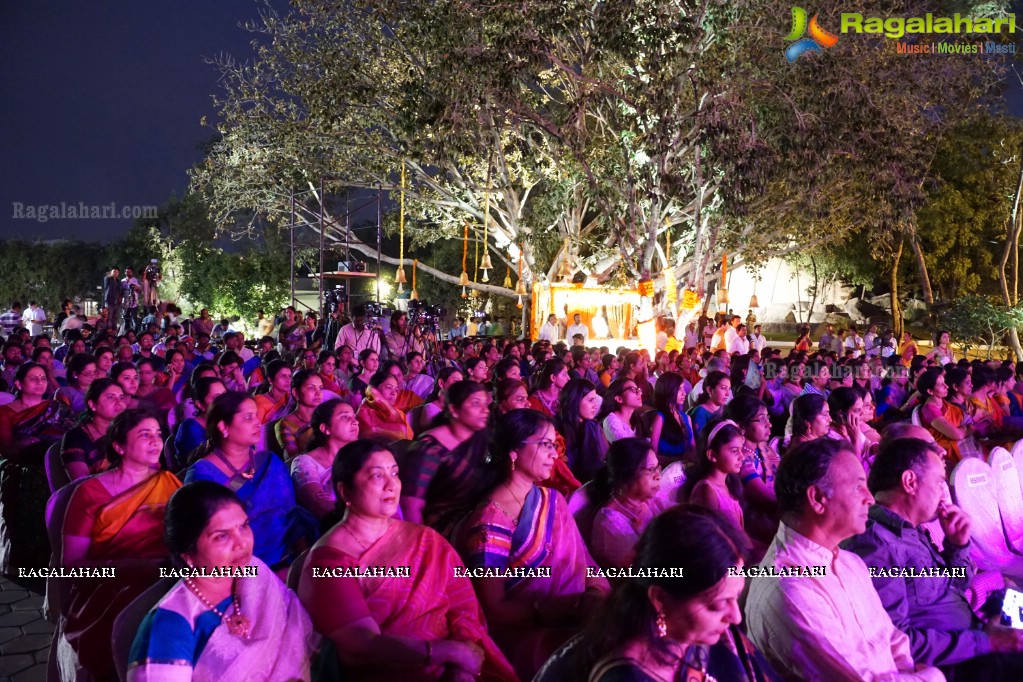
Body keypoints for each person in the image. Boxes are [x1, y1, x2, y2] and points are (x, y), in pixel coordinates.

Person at [297, 439, 517, 682]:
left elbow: (463, 608)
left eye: (395, 473)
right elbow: (362, 648)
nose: (392, 485)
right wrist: (445, 653)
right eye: (377, 476)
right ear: (345, 491)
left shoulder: (424, 539)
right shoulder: (328, 563)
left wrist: (461, 665)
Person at [744, 438, 943, 681]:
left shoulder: (850, 563)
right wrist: (932, 677)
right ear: (817, 498)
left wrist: (911, 674)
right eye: (858, 487)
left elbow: (893, 640)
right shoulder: (791, 591)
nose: (870, 498)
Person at [844, 437, 1023, 679]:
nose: (943, 493)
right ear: (910, 482)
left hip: (976, 633)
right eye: (939, 482)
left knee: (1014, 598)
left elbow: (954, 587)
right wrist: (987, 642)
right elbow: (898, 643)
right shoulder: (876, 546)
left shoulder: (910, 530)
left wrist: (957, 545)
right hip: (965, 661)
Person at [537, 505, 778, 682]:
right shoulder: (625, 677)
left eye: (735, 597)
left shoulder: (714, 636)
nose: (735, 618)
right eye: (716, 605)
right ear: (661, 600)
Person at [456, 409, 610, 679]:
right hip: (531, 639)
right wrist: (564, 609)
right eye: (546, 445)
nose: (555, 454)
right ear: (513, 452)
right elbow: (495, 609)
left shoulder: (552, 500)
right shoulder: (491, 521)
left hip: (578, 620)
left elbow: (585, 563)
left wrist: (596, 593)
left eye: (556, 444)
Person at [128, 481, 320, 680]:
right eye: (221, 536)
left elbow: (303, 644)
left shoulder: (254, 572)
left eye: (244, 526)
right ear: (187, 554)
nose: (242, 543)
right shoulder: (170, 626)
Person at [61, 408, 182, 680]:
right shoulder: (88, 493)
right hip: (110, 591)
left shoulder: (168, 482)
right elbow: (70, 568)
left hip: (167, 579)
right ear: (118, 445)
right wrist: (129, 567)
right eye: (144, 435)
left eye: (158, 434)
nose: (155, 441)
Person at [184, 391, 317, 575]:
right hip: (240, 569)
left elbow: (291, 516)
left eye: (256, 415)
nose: (258, 423)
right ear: (224, 426)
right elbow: (211, 542)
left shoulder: (270, 462)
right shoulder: (202, 475)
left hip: (289, 559)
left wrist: (302, 566)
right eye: (248, 417)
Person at [0, 362, 75, 570]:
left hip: (56, 463)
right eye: (33, 379)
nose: (40, 383)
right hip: (23, 467)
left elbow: (71, 434)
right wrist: (27, 444)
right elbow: (6, 447)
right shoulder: (5, 412)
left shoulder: (56, 407)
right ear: (18, 383)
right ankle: (26, 563)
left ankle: (54, 559)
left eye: (43, 378)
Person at [399, 380, 491, 530]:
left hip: (473, 518)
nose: (485, 410)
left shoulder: (479, 436)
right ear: (454, 410)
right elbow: (411, 506)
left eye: (485, 404)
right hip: (441, 527)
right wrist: (427, 546)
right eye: (476, 403)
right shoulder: (428, 449)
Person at [587, 438, 666, 569]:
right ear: (625, 475)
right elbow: (647, 572)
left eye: (657, 467)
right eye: (650, 469)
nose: (658, 475)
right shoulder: (610, 523)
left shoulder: (649, 500)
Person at [291, 399, 360, 521]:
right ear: (325, 428)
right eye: (344, 417)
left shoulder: (361, 456)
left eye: (354, 417)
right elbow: (320, 507)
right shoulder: (305, 462)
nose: (355, 422)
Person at [681, 419, 747, 533]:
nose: (742, 457)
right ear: (712, 455)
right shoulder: (706, 491)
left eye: (741, 449)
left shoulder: (729, 484)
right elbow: (713, 540)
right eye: (734, 451)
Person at [60, 378, 127, 480]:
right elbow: (81, 482)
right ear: (92, 405)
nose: (119, 402)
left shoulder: (129, 430)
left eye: (121, 398)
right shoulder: (75, 437)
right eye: (110, 397)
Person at [553, 378, 608, 486]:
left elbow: (604, 459)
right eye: (590, 400)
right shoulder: (555, 428)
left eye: (595, 400)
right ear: (575, 400)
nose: (595, 406)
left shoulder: (594, 425)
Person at [917, 368, 974, 467]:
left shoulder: (944, 404)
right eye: (940, 385)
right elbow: (957, 435)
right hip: (944, 453)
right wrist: (968, 428)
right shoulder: (930, 410)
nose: (946, 386)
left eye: (944, 382)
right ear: (930, 391)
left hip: (960, 443)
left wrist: (967, 427)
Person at [174, 376, 228, 469]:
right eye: (215, 397)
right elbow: (203, 465)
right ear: (200, 404)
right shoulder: (190, 427)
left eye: (224, 395)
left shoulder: (228, 420)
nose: (223, 400)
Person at [645, 371, 696, 466]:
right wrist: (678, 460)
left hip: (688, 467)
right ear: (668, 390)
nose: (684, 393)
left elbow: (693, 447)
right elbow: (653, 455)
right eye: (679, 389)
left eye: (683, 388)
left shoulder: (686, 417)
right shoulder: (660, 418)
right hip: (668, 469)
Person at [276, 369, 324, 459]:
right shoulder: (285, 424)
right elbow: (293, 460)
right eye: (311, 388)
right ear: (296, 393)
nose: (318, 393)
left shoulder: (326, 416)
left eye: (320, 388)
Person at [356, 370, 413, 443]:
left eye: (396, 390)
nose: (393, 393)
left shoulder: (400, 414)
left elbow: (408, 441)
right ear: (374, 390)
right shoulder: (364, 414)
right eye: (389, 387)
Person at [598, 378, 642, 443]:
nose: (639, 393)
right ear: (619, 399)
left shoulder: (635, 419)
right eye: (633, 389)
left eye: (638, 389)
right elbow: (627, 449)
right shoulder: (612, 422)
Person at [688, 370, 731, 435]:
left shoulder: (726, 409)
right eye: (723, 388)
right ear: (710, 390)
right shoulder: (700, 413)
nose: (728, 393)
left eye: (729, 389)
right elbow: (702, 441)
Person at [255, 359, 292, 424]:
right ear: (270, 380)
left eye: (289, 376)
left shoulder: (290, 399)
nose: (288, 380)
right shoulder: (260, 402)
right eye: (283, 376)